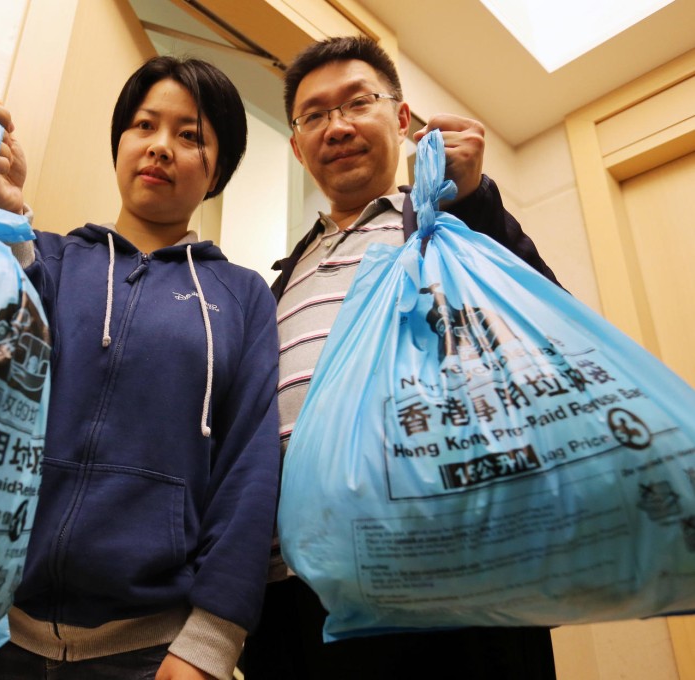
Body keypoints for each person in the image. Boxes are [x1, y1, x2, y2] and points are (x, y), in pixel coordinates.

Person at [0, 56, 281, 680]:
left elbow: (249, 470)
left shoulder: (242, 296)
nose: (160, 146)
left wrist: (213, 639)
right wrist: (0, 210)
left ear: (217, 169)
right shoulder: (49, 259)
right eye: (144, 125)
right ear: (119, 142)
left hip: (148, 652)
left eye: (190, 135)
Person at [240, 36, 560, 679]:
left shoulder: (451, 222)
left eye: (358, 102)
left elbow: (547, 332)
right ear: (297, 146)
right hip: (298, 597)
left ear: (402, 118)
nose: (337, 127)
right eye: (313, 115)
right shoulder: (277, 281)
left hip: (453, 576)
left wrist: (474, 198)